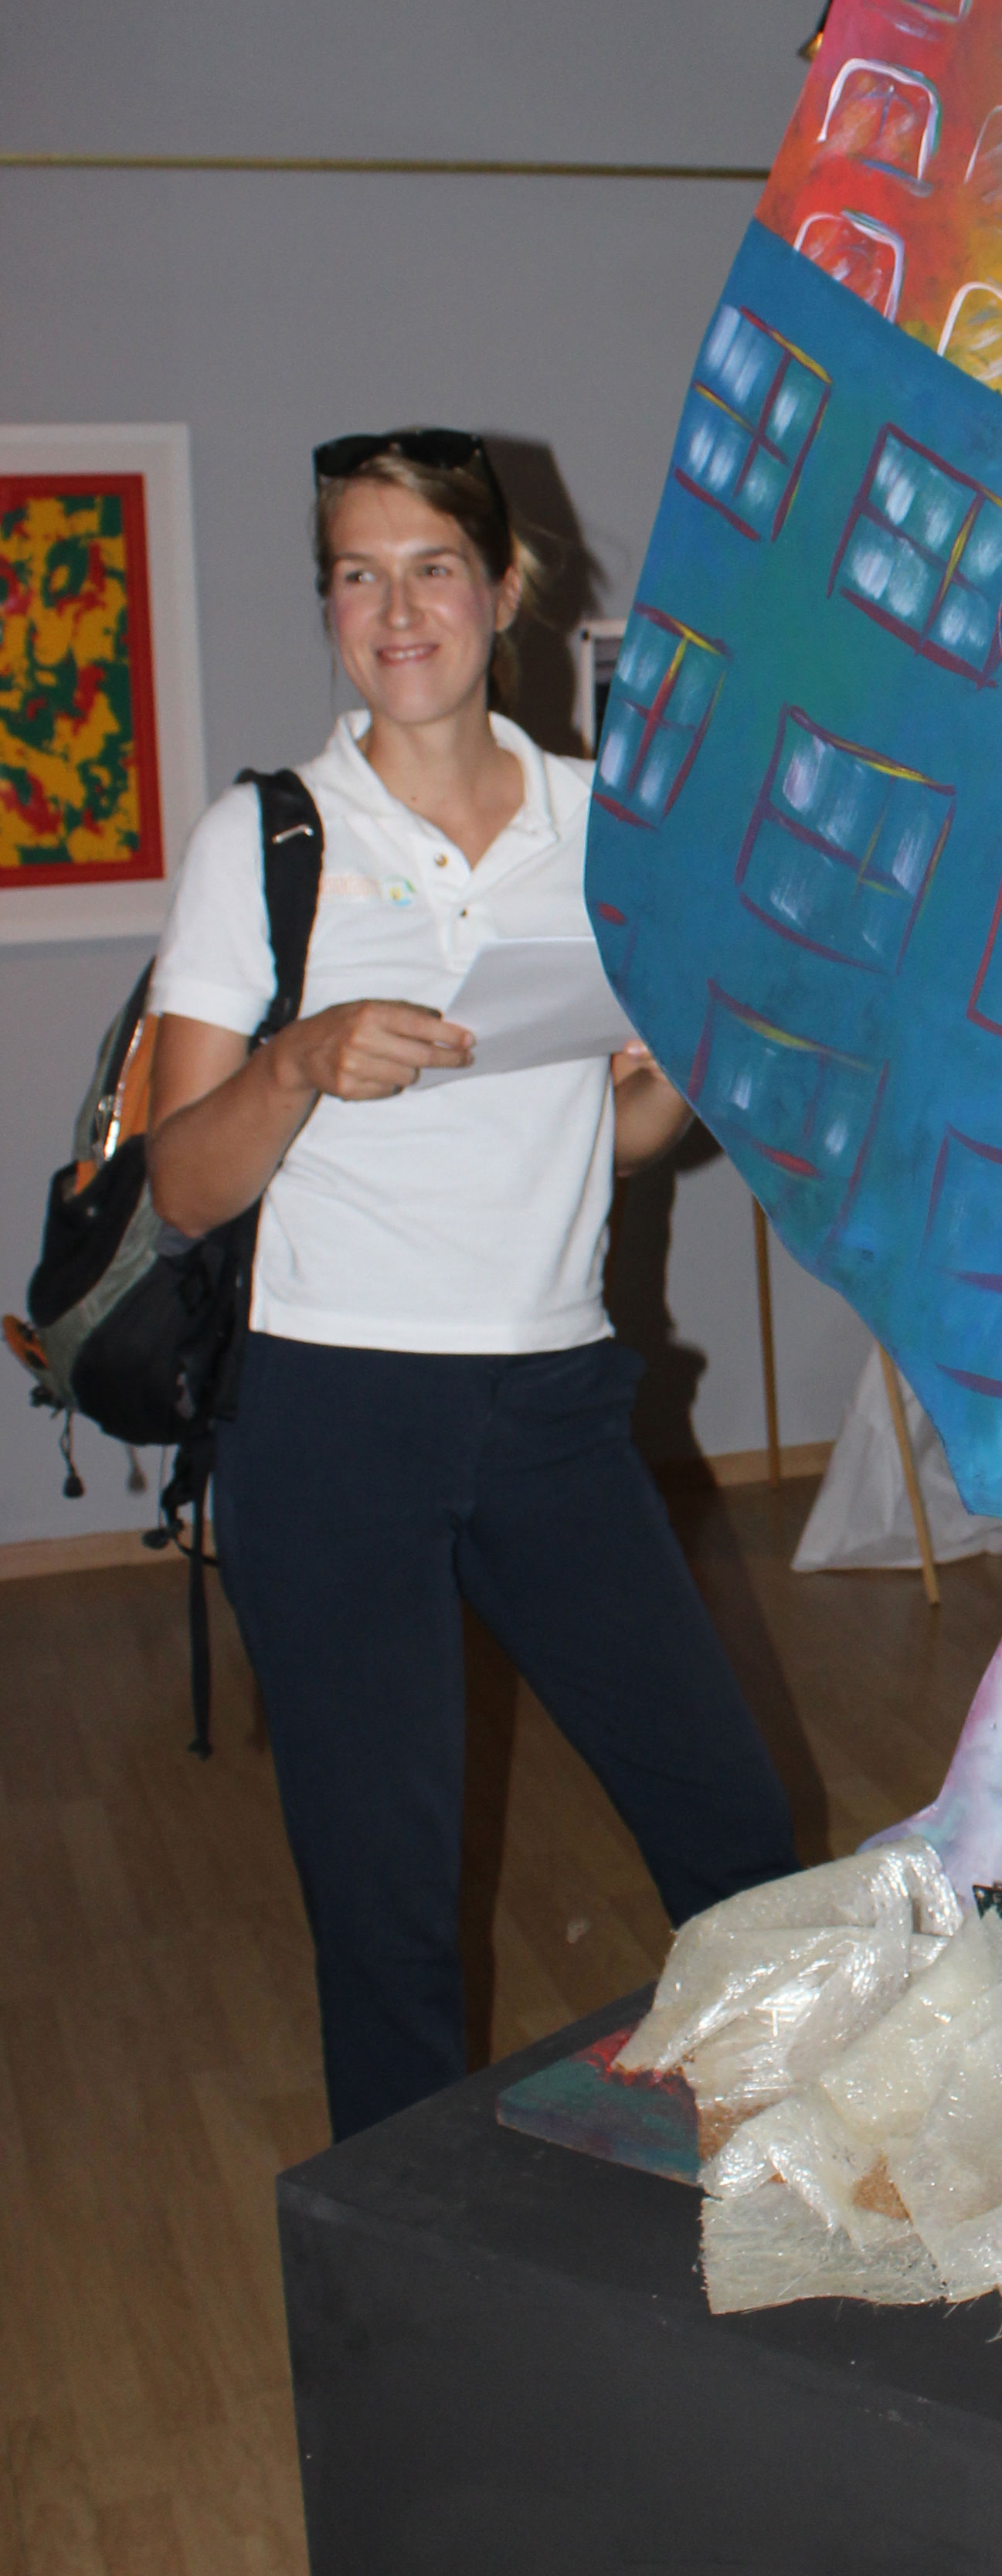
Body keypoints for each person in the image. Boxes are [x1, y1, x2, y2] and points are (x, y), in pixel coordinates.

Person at [146, 430, 797, 2139]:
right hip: (330, 1414)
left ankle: (797, 2169)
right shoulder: (265, 838)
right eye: (356, 575)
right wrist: (296, 1063)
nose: (396, 610)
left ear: (507, 590)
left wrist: (678, 1072)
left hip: (553, 1400)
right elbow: (181, 1180)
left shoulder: (606, 830)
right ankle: (408, 2264)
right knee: (389, 1914)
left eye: (431, 567)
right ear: (329, 606)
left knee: (734, 1832)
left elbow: (617, 1137)